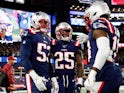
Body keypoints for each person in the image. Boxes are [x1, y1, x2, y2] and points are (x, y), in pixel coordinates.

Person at [77, 1, 123, 93]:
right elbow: (105, 41)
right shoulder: (113, 27)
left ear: (95, 12)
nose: (87, 20)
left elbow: (104, 50)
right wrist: (89, 39)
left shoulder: (98, 22)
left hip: (103, 71)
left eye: (87, 17)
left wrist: (93, 72)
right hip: (112, 70)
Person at [20, 11, 59, 93]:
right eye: (41, 21)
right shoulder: (29, 34)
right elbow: (24, 58)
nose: (45, 24)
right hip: (33, 77)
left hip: (46, 76)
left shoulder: (48, 39)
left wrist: (53, 78)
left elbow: (47, 61)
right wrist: (35, 77)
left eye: (46, 22)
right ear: (34, 22)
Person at [51, 22, 84, 93]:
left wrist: (80, 80)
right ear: (58, 32)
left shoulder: (75, 45)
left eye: (68, 31)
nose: (66, 34)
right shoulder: (53, 44)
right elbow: (49, 62)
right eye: (64, 32)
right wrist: (52, 77)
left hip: (71, 77)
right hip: (58, 77)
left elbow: (79, 64)